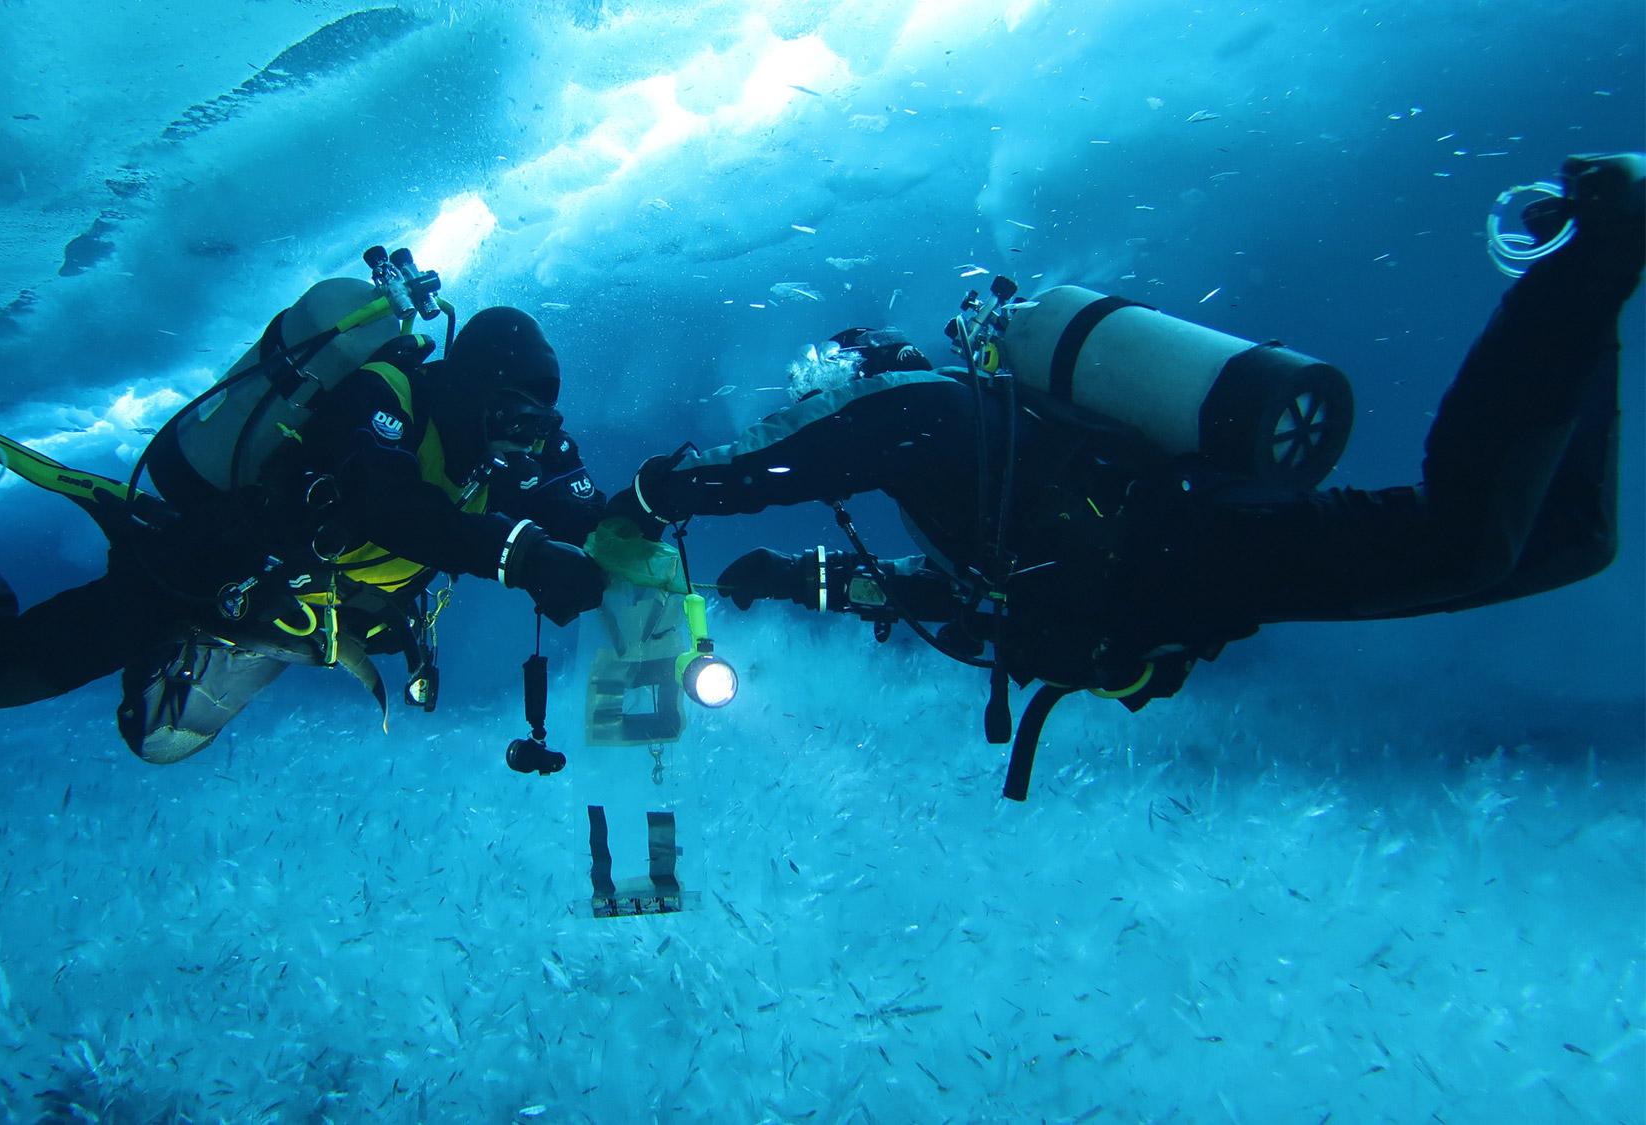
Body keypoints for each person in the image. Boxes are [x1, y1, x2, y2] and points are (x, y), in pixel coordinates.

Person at [605, 154, 1643, 798]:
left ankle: (1594, 250)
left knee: (1464, 537)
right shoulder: (960, 475)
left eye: (830, 384)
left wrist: (667, 489)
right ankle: (1591, 287)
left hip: (1195, 547)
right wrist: (799, 584)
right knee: (1566, 543)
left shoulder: (927, 409)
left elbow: (822, 446)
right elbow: (958, 600)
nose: (818, 402)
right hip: (1183, 588)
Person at [0, 279, 612, 763]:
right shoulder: (385, 393)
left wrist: (648, 503)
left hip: (273, 609)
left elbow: (582, 516)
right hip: (197, 564)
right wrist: (521, 553)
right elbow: (380, 501)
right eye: (516, 420)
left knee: (154, 738)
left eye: (539, 429)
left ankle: (168, 667)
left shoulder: (489, 461)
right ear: (474, 388)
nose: (524, 448)